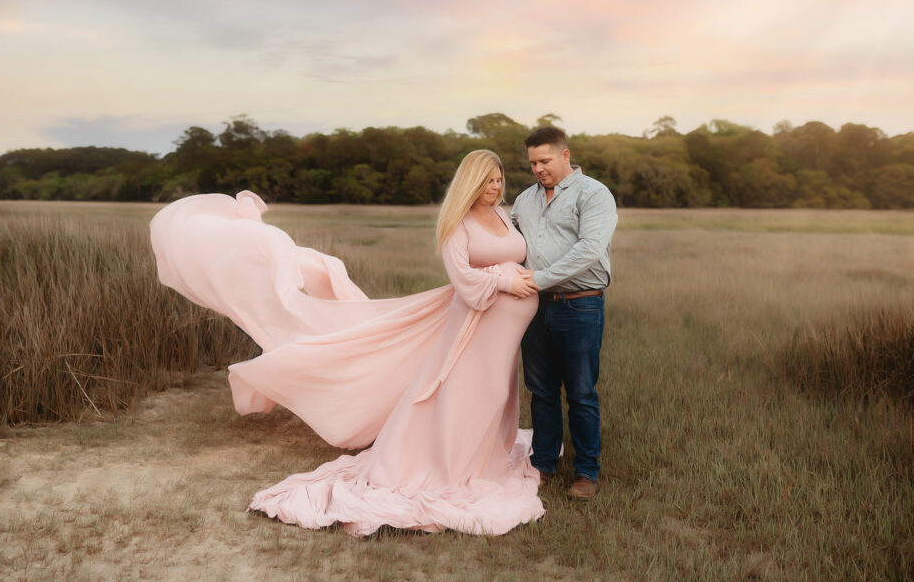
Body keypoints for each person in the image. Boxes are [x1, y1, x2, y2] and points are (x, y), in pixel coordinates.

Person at [149, 149, 545, 536]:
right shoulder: (457, 224)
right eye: (488, 181)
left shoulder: (502, 216)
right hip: (474, 326)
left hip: (503, 336)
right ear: (471, 182)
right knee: (468, 392)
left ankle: (487, 453)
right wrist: (505, 281)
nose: (495, 187)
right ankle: (453, 463)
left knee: (495, 394)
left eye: (498, 180)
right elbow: (463, 279)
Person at [510, 126, 617, 500]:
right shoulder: (524, 199)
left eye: (545, 161)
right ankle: (543, 464)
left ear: (565, 155)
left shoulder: (595, 194)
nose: (538, 169)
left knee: (582, 392)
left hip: (581, 304)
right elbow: (509, 242)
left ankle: (587, 472)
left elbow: (589, 248)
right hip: (534, 307)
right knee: (541, 391)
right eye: (533, 163)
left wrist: (538, 278)